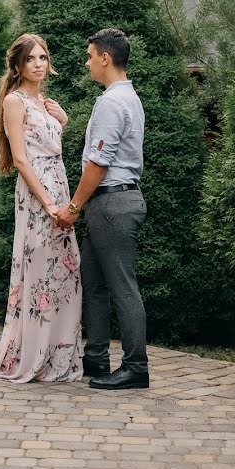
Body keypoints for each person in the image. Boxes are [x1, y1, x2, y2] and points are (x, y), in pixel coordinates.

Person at [0, 33, 82, 383]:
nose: (39, 64)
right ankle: (32, 356)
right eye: (31, 59)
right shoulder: (15, 101)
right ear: (18, 65)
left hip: (60, 183)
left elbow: (49, 142)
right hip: (38, 193)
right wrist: (49, 204)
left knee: (66, 270)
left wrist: (63, 120)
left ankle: (59, 357)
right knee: (40, 269)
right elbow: (22, 160)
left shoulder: (46, 103)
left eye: (43, 58)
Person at [56, 28, 149, 390]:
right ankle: (95, 357)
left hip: (112, 203)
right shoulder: (128, 98)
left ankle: (136, 367)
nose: (87, 61)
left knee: (122, 287)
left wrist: (74, 206)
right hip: (109, 204)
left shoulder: (111, 102)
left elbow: (98, 164)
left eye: (90, 55)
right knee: (93, 282)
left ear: (105, 58)